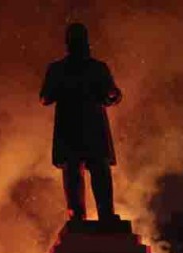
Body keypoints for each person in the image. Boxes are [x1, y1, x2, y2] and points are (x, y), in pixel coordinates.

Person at [40, 22, 122, 222]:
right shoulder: (58, 69)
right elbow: (45, 97)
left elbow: (112, 94)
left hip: (91, 127)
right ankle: (77, 216)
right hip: (72, 129)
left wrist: (112, 94)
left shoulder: (97, 68)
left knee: (99, 170)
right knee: (74, 173)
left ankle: (106, 215)